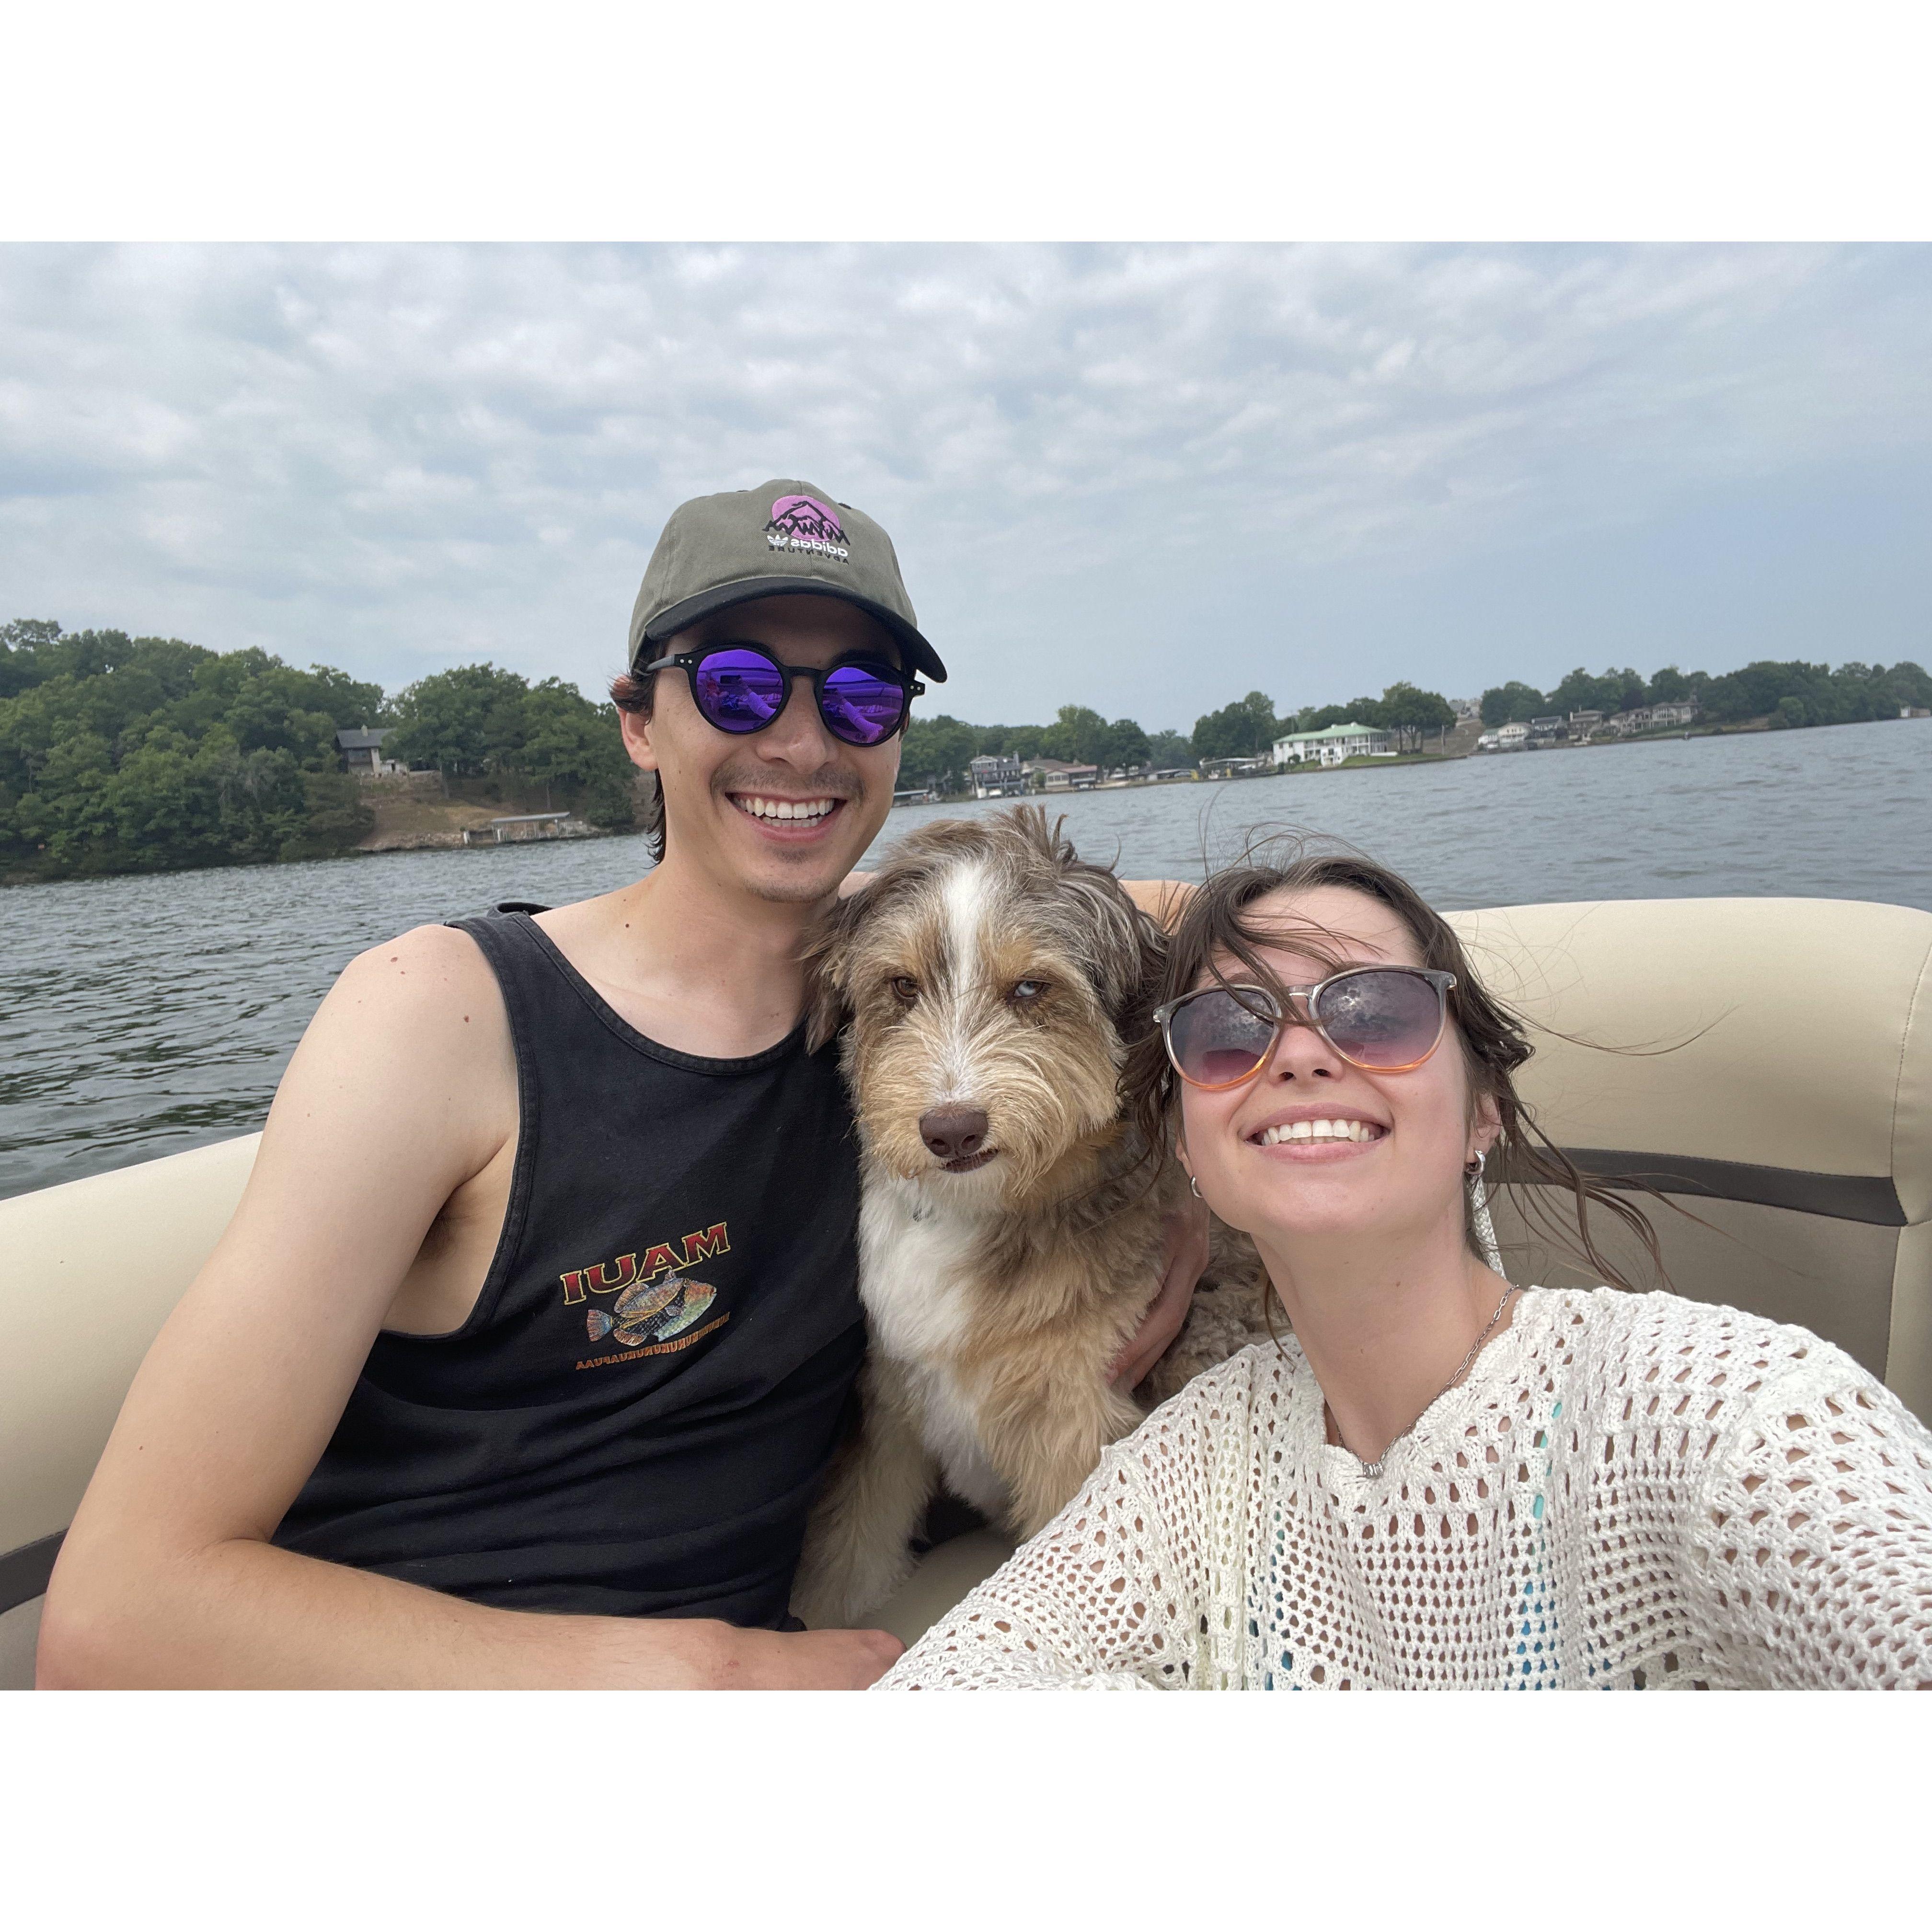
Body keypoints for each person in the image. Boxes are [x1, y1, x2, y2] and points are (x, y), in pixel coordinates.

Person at [37, 479, 1202, 1690]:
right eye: (739, 685)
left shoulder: (898, 982)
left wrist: (1198, 1173)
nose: (804, 742)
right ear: (641, 720)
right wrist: (704, 1677)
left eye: (862, 697)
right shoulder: (439, 1017)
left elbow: (1256, 942)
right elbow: (116, 1619)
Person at [878, 846, 1932, 1689]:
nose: (1296, 1053)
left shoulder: (1713, 1409)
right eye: (1228, 1029)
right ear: (1182, 1143)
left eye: (1374, 1010)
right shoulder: (1193, 1459)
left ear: (1485, 1109)